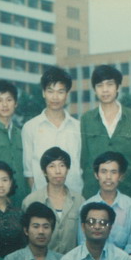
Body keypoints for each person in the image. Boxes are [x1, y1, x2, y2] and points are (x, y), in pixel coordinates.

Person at [80, 65, 131, 199]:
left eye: (109, 84)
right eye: (100, 85)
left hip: (127, 192)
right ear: (94, 90)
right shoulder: (86, 119)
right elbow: (84, 159)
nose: (105, 90)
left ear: (118, 87)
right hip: (94, 193)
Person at [22, 66, 83, 194]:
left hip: (74, 198)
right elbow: (29, 173)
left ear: (67, 94)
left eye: (60, 92)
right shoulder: (30, 127)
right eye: (50, 91)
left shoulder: (78, 128)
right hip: (41, 200)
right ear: (43, 93)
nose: (55, 97)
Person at [78, 151, 131, 254]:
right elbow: (82, 243)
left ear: (121, 176)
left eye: (113, 172)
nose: (108, 177)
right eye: (104, 172)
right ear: (96, 175)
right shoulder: (85, 207)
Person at [22, 147, 84, 254]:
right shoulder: (30, 201)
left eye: (62, 165)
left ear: (67, 169)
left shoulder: (80, 201)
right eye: (52, 166)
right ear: (44, 171)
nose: (58, 171)